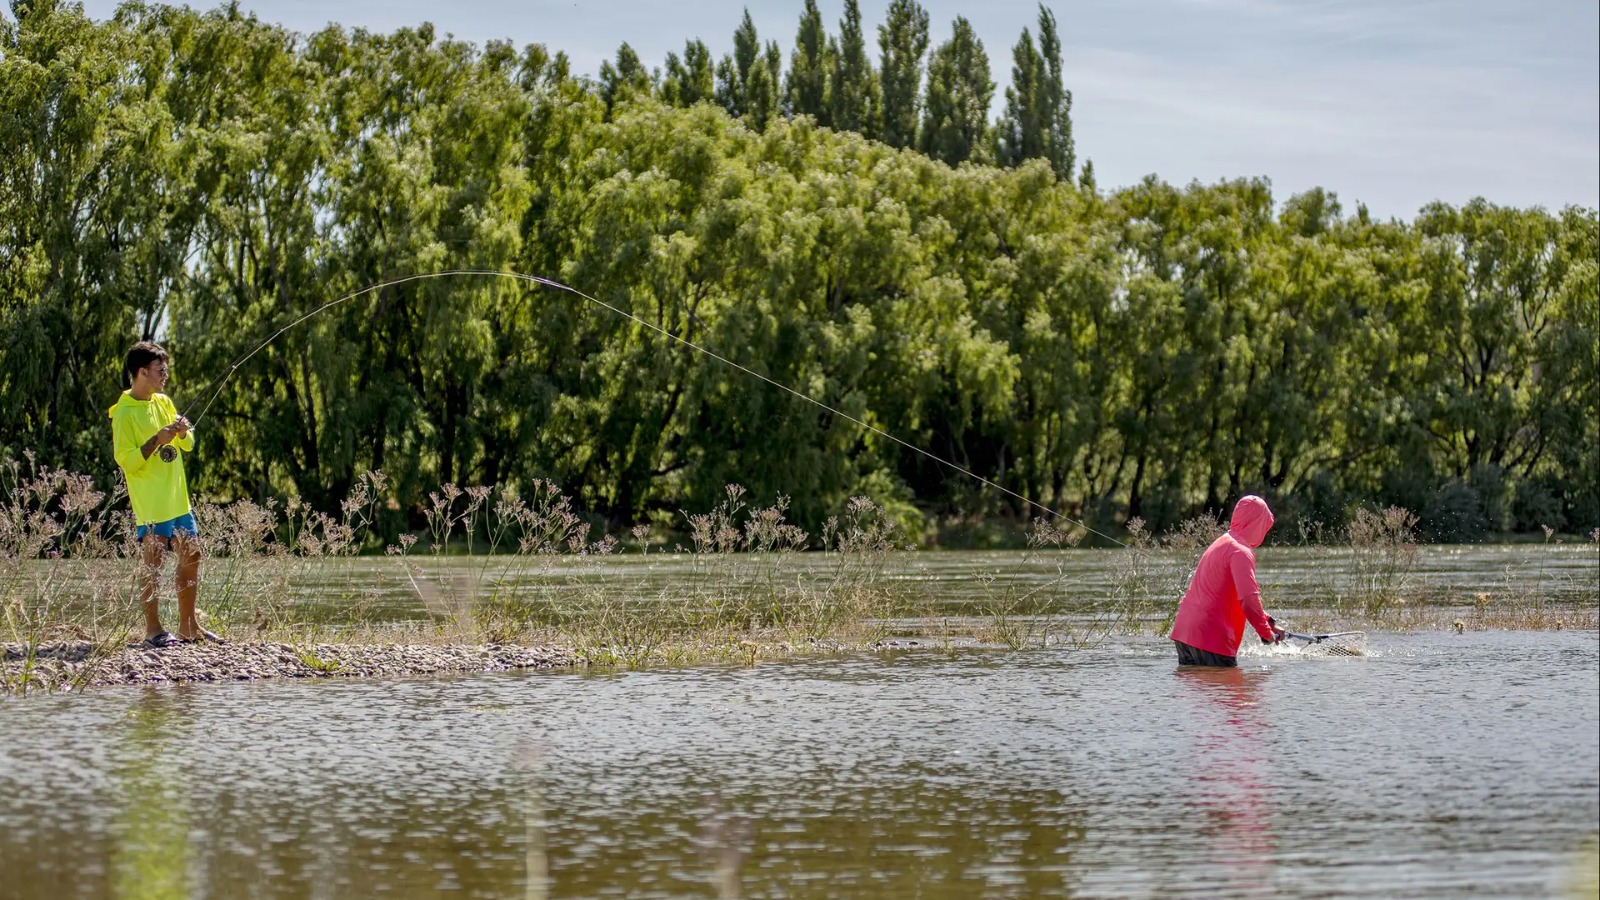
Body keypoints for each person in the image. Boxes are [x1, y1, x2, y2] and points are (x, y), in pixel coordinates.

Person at [110, 341, 221, 647]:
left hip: (178, 500)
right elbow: (126, 461)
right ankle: (153, 631)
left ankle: (189, 627)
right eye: (160, 370)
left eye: (166, 369)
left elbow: (188, 445)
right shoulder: (123, 413)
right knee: (153, 564)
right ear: (142, 371)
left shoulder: (164, 402)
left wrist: (184, 432)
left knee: (192, 555)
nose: (165, 375)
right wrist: (155, 441)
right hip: (151, 503)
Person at [1170, 494, 1284, 667]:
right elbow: (1247, 598)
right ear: (1257, 524)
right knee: (1229, 692)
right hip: (1211, 639)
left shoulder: (1222, 542)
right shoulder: (1241, 552)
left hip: (1185, 635)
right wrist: (1265, 633)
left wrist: (1267, 621)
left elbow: (1225, 594)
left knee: (1197, 693)